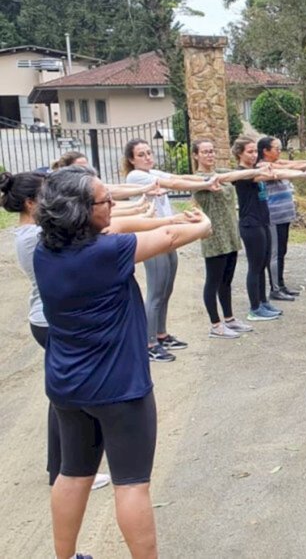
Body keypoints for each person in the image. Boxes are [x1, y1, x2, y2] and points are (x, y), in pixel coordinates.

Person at [34, 166, 211, 559]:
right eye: (105, 200)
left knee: (73, 473)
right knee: (131, 484)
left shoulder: (44, 251)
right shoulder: (107, 253)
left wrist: (163, 214)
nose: (112, 203)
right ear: (81, 212)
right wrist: (202, 224)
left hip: (67, 387)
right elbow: (166, 238)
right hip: (118, 389)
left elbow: (121, 226)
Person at [2, 171, 113, 492]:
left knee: (63, 401)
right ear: (30, 202)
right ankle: (71, 470)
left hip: (48, 320)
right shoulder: (32, 236)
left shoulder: (33, 231)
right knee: (70, 401)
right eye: (47, 195)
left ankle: (63, 468)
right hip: (50, 322)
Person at [122, 138, 222, 362]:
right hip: (152, 237)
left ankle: (161, 334)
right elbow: (175, 185)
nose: (147, 157)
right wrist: (205, 184)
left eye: (149, 152)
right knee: (156, 292)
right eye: (141, 154)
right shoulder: (136, 176)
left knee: (166, 289)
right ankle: (149, 343)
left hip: (168, 235)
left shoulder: (152, 172)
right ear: (131, 159)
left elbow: (178, 178)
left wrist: (205, 178)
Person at [231, 137, 306, 321]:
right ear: (239, 154)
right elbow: (269, 174)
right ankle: (254, 308)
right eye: (249, 152)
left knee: (262, 264)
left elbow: (276, 168)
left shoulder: (254, 170)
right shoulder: (242, 173)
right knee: (255, 267)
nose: (253, 155)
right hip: (250, 224)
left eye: (254, 151)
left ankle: (263, 302)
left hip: (263, 221)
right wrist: (300, 174)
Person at [192, 139, 268, 338]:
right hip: (214, 235)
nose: (210, 155)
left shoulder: (222, 173)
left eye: (212, 151)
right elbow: (238, 175)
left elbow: (237, 174)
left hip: (230, 234)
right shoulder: (198, 178)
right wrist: (254, 171)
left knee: (227, 281)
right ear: (196, 156)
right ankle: (216, 325)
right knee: (213, 281)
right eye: (205, 152)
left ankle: (229, 319)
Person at [257, 137, 306, 301]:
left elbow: (290, 164)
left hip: (283, 216)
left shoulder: (277, 162)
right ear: (266, 151)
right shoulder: (263, 166)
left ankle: (281, 285)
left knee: (282, 251)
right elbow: (288, 167)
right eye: (276, 148)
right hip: (274, 217)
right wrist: (303, 172)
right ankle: (275, 288)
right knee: (275, 253)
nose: (279, 151)